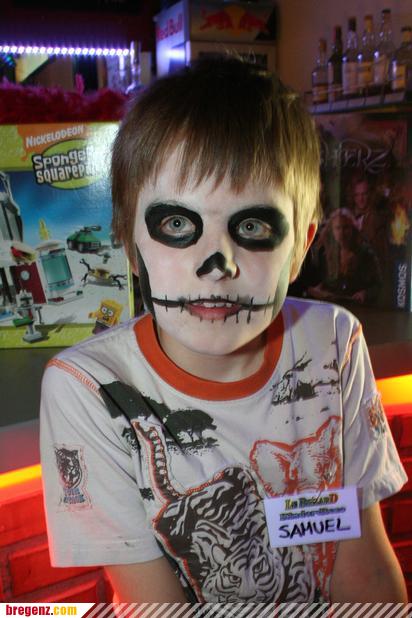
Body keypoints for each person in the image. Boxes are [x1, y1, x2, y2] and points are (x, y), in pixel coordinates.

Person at [40, 56, 407, 604]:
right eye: (177, 223)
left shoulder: (332, 342)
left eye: (252, 225)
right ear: (129, 246)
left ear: (301, 247)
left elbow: (365, 571)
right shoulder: (89, 389)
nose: (217, 265)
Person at [308, 208, 382, 305]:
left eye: (346, 228)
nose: (342, 233)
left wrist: (365, 294)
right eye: (338, 228)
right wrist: (318, 289)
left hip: (359, 308)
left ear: (353, 229)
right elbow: (322, 282)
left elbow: (378, 286)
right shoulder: (325, 254)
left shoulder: (366, 254)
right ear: (332, 231)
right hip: (331, 306)